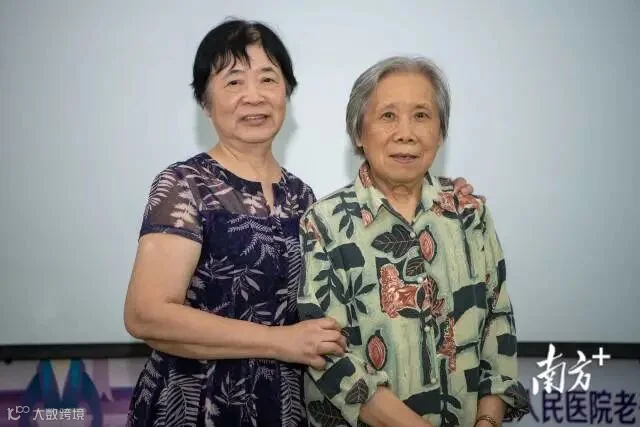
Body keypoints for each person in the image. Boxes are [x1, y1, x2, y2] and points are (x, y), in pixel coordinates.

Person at [123, 19, 480, 426]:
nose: (254, 96)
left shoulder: (303, 198)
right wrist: (279, 341)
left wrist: (440, 198)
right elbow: (145, 314)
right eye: (234, 81)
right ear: (205, 101)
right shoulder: (185, 185)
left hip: (284, 408)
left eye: (268, 79)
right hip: (196, 405)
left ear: (287, 92)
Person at [297, 56, 531, 427]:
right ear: (358, 132)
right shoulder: (325, 223)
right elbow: (329, 356)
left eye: (421, 115)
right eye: (388, 115)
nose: (406, 133)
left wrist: (487, 421)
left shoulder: (470, 215)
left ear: (441, 132)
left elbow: (498, 328)